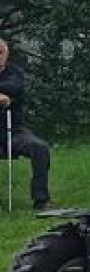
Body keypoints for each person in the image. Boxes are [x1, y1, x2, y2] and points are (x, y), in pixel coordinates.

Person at [0, 38, 51, 210]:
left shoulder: (14, 72)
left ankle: (41, 200)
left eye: (1, 52)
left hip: (13, 131)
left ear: (6, 55)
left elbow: (14, 88)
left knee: (40, 148)